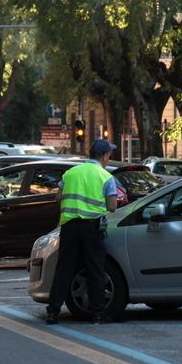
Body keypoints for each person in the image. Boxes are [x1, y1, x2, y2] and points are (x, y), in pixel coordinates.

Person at [45, 139, 119, 324]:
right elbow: (112, 207)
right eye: (109, 154)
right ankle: (97, 313)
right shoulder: (106, 177)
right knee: (95, 269)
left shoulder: (71, 173)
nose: (110, 157)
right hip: (92, 227)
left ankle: (53, 311)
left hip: (69, 227)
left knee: (64, 268)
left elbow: (58, 196)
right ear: (104, 156)